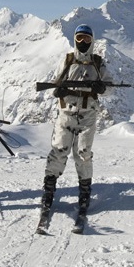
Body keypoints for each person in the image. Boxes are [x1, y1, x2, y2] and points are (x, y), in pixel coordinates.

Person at [37, 24, 113, 228]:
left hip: (88, 116)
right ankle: (49, 191)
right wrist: (58, 91)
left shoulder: (98, 63)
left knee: (84, 153)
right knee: (58, 151)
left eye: (87, 39)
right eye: (80, 38)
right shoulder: (67, 60)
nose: (83, 42)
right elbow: (54, 83)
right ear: (74, 39)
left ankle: (84, 194)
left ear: (93, 41)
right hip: (66, 114)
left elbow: (110, 89)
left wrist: (101, 88)